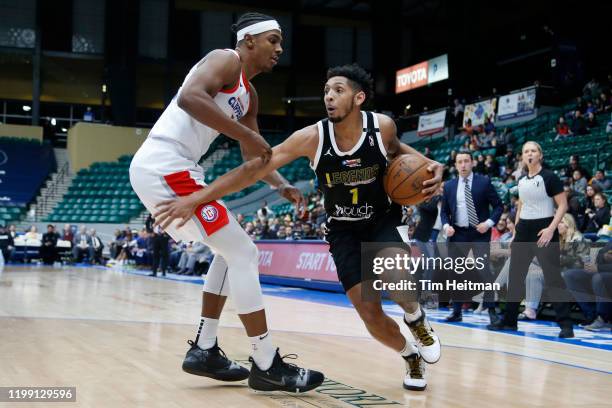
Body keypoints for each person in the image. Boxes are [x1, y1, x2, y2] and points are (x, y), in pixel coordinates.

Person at [154, 63, 444, 391]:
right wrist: (198, 197)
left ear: (359, 97)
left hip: (381, 220)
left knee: (398, 279)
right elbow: (253, 169)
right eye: (326, 91)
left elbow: (399, 153)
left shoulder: (383, 127)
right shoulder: (311, 138)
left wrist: (433, 167)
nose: (329, 97)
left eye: (338, 90)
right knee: (370, 314)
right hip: (343, 230)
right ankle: (410, 356)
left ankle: (416, 319)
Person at [128, 12, 323, 392]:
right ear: (249, 40)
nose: (279, 49)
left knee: (228, 251)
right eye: (273, 40)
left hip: (176, 169)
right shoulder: (226, 59)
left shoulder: (249, 95)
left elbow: (255, 152)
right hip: (166, 163)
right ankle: (266, 363)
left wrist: (280, 184)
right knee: (245, 253)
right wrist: (239, 132)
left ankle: (204, 349)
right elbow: (189, 98)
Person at [487, 141, 574, 338]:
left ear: (540, 155)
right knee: (515, 277)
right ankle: (509, 321)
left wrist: (551, 229)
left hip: (544, 229)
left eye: (533, 150)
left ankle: (566, 326)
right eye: (526, 151)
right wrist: (516, 233)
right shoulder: (522, 180)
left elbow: (562, 205)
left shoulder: (549, 177)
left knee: (553, 278)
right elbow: (521, 206)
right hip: (524, 230)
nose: (530, 154)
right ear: (523, 157)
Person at [440, 150, 503, 324]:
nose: (463, 165)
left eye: (466, 161)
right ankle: (457, 312)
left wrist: (488, 223)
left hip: (479, 233)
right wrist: (446, 227)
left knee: (484, 271)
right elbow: (444, 212)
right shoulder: (449, 186)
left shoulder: (484, 182)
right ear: (455, 165)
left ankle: (492, 311)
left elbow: (498, 206)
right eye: (459, 162)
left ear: (472, 163)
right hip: (458, 233)